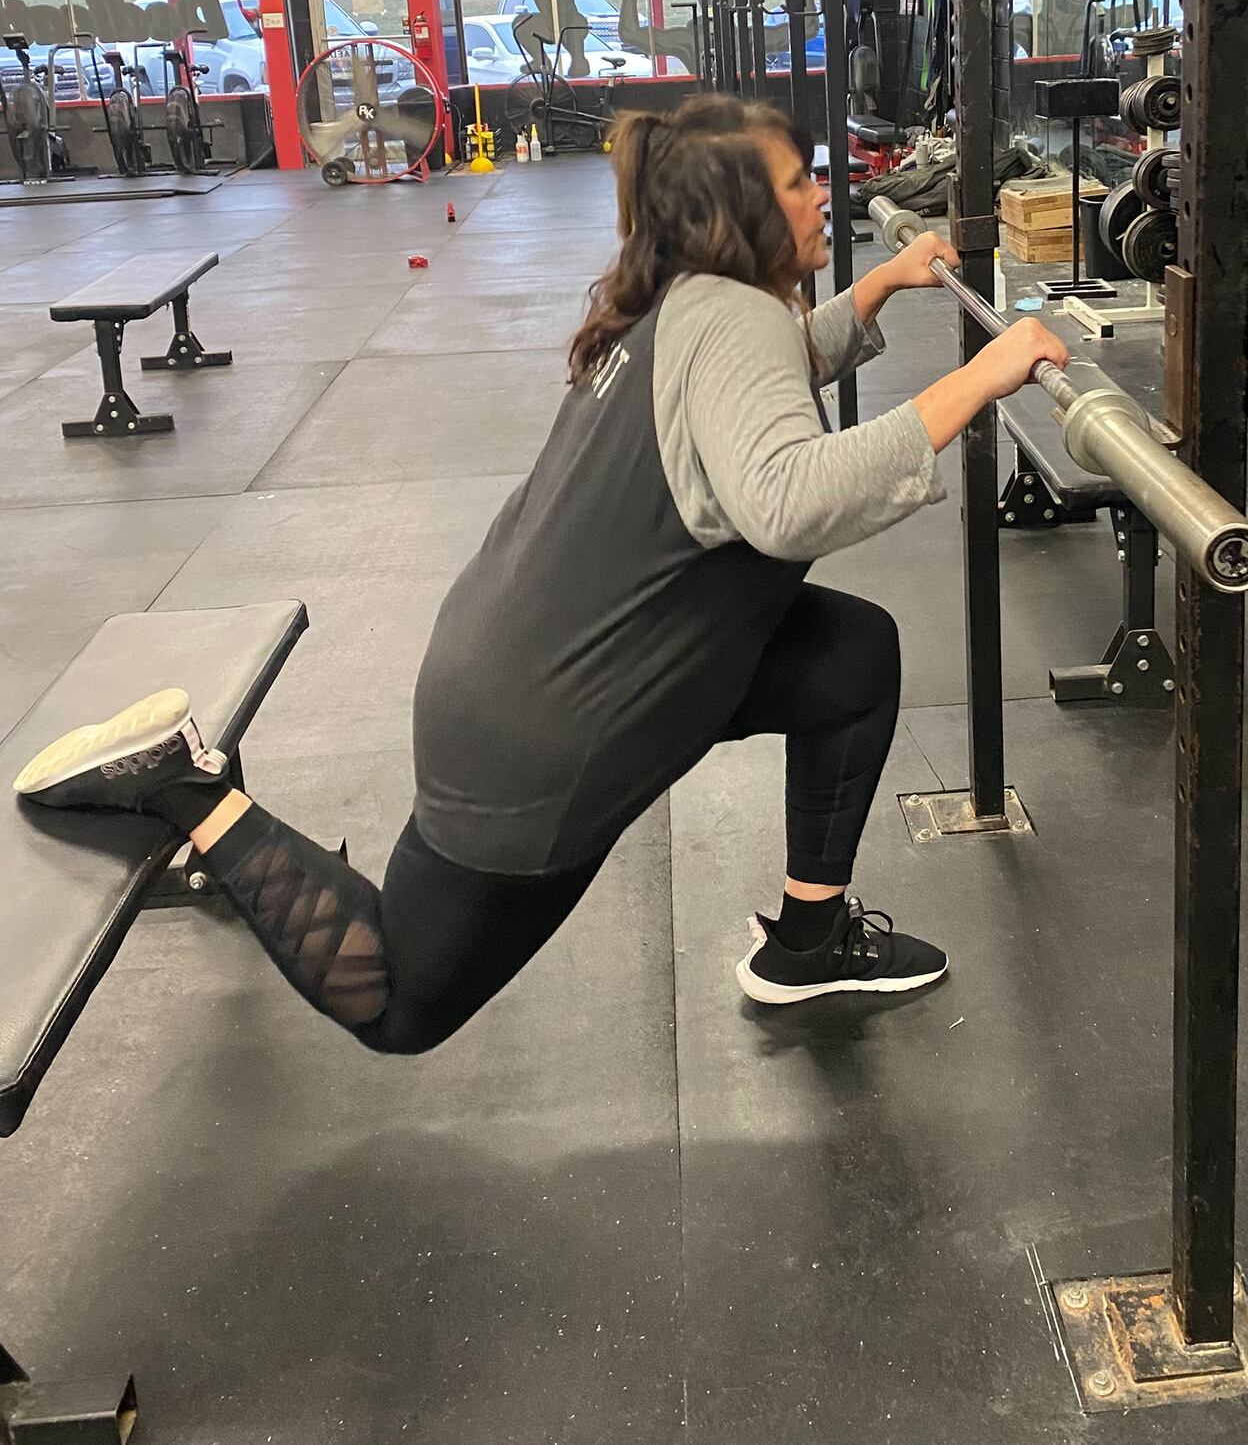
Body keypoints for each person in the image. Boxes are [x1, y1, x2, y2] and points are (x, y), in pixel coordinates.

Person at [14, 95, 1069, 1053]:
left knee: (848, 657)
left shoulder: (692, 297)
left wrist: (875, 287)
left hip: (527, 663)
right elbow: (786, 495)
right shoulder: (738, 315)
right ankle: (182, 785)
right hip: (547, 732)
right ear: (740, 208)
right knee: (396, 999)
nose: (823, 193)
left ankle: (807, 941)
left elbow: (757, 391)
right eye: (800, 181)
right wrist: (980, 374)